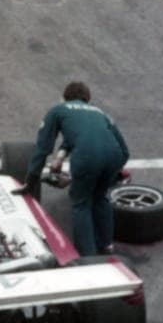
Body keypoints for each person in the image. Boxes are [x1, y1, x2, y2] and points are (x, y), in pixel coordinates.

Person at [18, 82, 130, 257]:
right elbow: (124, 151)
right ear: (87, 99)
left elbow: (43, 148)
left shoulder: (58, 110)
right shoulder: (100, 113)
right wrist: (111, 173)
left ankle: (88, 256)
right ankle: (107, 246)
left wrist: (30, 181)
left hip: (87, 157)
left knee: (81, 203)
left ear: (65, 97)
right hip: (114, 156)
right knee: (100, 198)